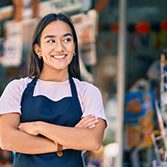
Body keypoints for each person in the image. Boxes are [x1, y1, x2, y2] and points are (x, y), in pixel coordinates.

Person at [0, 13, 107, 167]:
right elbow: (7, 140)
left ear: (74, 47)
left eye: (67, 40)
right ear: (38, 50)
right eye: (51, 41)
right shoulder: (17, 89)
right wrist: (67, 142)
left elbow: (92, 141)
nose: (60, 47)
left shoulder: (87, 92)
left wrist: (38, 127)